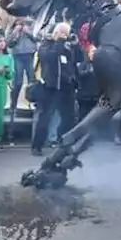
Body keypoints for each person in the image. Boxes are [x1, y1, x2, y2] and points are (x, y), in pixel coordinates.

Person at [32, 22, 80, 156]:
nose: (65, 36)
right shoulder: (46, 45)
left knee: (69, 117)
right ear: (57, 32)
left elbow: (77, 59)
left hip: (67, 86)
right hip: (52, 87)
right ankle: (37, 145)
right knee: (46, 116)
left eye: (67, 33)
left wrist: (76, 46)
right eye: (64, 33)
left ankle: (64, 143)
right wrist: (59, 42)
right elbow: (50, 58)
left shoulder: (67, 46)